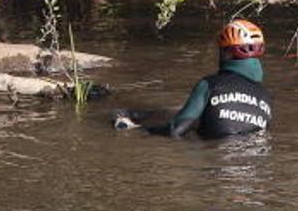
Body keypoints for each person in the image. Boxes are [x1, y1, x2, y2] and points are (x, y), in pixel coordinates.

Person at [115, 18, 272, 139]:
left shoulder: (209, 84)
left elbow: (176, 130)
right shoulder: (265, 96)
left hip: (216, 164)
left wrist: (138, 129)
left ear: (226, 53)